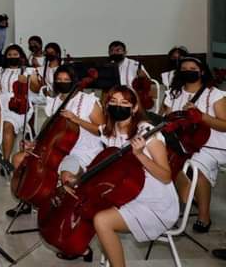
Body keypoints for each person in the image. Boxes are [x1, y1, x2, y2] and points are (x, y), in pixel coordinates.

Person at [90, 86, 178, 267]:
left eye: (124, 103)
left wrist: (140, 155)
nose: (117, 106)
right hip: (127, 193)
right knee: (90, 208)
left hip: (155, 203)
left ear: (135, 107)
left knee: (101, 220)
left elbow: (166, 177)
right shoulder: (109, 130)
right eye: (113, 102)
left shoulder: (147, 133)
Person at [7, 65, 104, 218]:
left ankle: (63, 212)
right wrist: (35, 143)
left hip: (82, 151)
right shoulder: (53, 102)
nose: (62, 82)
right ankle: (29, 199)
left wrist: (76, 119)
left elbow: (101, 130)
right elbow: (51, 129)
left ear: (74, 81)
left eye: (66, 80)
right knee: (19, 159)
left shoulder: (88, 101)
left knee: (66, 174)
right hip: (56, 148)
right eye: (59, 79)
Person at [162, 57, 226, 233]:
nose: (188, 71)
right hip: (181, 142)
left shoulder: (215, 95)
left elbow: (224, 124)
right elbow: (166, 119)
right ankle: (171, 206)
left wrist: (202, 117)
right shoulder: (173, 93)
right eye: (184, 68)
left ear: (202, 71)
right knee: (160, 161)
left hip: (211, 143)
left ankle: (204, 215)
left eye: (192, 68)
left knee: (198, 165)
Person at [0, 44, 42, 164]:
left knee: (8, 126)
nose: (12, 57)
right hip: (1, 104)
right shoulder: (0, 71)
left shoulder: (28, 71)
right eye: (9, 55)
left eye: (15, 55)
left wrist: (28, 80)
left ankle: (5, 161)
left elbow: (37, 89)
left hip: (19, 106)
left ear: (21, 56)